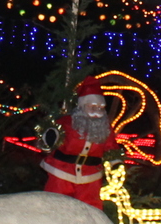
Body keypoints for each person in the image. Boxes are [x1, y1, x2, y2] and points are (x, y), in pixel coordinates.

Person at [41, 76, 120, 208]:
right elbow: (51, 138)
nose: (97, 111)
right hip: (62, 172)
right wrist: (51, 136)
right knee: (55, 204)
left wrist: (115, 163)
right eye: (93, 106)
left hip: (91, 176)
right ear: (83, 105)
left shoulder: (105, 128)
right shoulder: (67, 123)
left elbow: (111, 147)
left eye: (101, 107)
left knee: (91, 207)